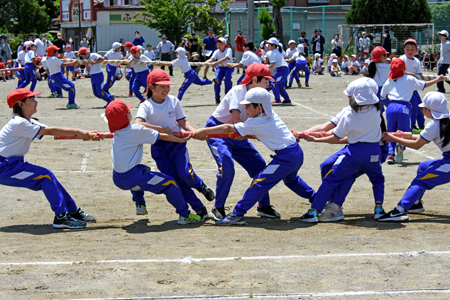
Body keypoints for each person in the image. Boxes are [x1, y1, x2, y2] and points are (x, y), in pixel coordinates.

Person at [194, 87, 316, 225]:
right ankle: (318, 200)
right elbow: (258, 132)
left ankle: (237, 214)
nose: (245, 109)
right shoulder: (269, 114)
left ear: (260, 107)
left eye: (248, 106)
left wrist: (204, 131)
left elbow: (228, 128)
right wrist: (245, 133)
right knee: (291, 181)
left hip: (286, 158)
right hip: (295, 153)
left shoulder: (256, 121)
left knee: (259, 182)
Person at [0, 88, 98, 228]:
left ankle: (72, 211)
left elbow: (55, 132)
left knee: (49, 177)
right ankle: (61, 217)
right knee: (46, 176)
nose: (36, 102)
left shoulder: (27, 122)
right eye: (32, 99)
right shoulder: (18, 123)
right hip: (4, 167)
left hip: (12, 164)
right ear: (21, 104)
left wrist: (86, 134)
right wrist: (79, 132)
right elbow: (49, 131)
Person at [201, 63, 284, 220]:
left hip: (238, 132)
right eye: (266, 81)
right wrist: (245, 132)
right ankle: (217, 207)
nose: (268, 85)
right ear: (254, 80)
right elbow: (235, 119)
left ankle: (263, 206)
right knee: (227, 166)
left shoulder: (258, 97)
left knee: (259, 166)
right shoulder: (238, 91)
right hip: (219, 131)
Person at [300, 77, 385, 223]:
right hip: (374, 151)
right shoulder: (376, 110)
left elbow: (335, 137)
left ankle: (315, 211)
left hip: (355, 152)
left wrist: (316, 139)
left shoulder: (349, 115)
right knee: (377, 179)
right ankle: (379, 209)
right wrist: (304, 133)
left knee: (332, 179)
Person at [134, 69, 214, 219]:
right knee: (176, 182)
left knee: (185, 174)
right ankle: (200, 209)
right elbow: (138, 123)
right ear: (151, 87)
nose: (166, 89)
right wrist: (160, 130)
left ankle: (201, 185)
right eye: (162, 86)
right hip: (159, 147)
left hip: (177, 144)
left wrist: (194, 132)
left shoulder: (173, 101)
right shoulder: (146, 105)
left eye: (168, 86)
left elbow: (182, 121)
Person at [105, 100, 201, 224]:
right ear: (127, 116)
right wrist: (180, 140)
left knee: (139, 169)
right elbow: (162, 136)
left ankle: (140, 204)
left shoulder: (116, 132)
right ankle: (185, 215)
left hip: (117, 178)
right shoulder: (137, 130)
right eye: (128, 111)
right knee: (171, 183)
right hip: (134, 177)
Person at [379, 92, 450, 222]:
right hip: (448, 160)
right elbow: (423, 136)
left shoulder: (434, 124)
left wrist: (393, 138)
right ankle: (415, 203)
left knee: (421, 181)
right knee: (423, 167)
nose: (422, 110)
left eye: (423, 108)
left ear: (429, 110)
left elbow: (417, 144)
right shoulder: (444, 120)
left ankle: (399, 210)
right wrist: (400, 135)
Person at [381, 59, 444, 165]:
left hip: (391, 107)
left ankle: (390, 154)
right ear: (404, 69)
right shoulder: (409, 79)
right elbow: (424, 85)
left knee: (391, 131)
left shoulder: (389, 80)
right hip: (404, 107)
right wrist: (438, 79)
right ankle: (401, 146)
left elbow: (382, 95)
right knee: (405, 131)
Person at [400, 39, 426, 134]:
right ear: (404, 50)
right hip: (405, 88)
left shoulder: (417, 61)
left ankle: (422, 125)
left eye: (412, 49)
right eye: (407, 49)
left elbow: (419, 74)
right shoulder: (402, 59)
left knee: (420, 105)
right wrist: (411, 74)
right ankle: (412, 126)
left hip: (413, 88)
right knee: (414, 104)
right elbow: (399, 71)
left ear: (416, 50)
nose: (410, 51)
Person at [205, 37, 234, 105]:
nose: (218, 45)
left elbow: (226, 58)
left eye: (220, 43)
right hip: (220, 68)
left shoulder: (228, 50)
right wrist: (205, 62)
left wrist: (217, 62)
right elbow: (212, 59)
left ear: (224, 44)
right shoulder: (216, 52)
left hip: (228, 67)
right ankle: (217, 98)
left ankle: (228, 97)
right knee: (217, 80)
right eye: (217, 44)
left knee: (227, 80)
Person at [266, 37, 291, 105]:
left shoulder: (273, 52)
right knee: (279, 85)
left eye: (269, 44)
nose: (267, 46)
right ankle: (287, 100)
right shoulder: (275, 51)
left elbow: (273, 64)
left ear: (273, 45)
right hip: (282, 69)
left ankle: (277, 100)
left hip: (282, 69)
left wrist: (266, 67)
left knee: (274, 83)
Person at [366, 46, 391, 112]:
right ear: (382, 57)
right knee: (392, 107)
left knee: (378, 113)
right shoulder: (388, 67)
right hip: (385, 92)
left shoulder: (371, 66)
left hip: (374, 92)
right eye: (386, 55)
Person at [437, 30, 450, 94]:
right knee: (442, 75)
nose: (440, 36)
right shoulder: (442, 43)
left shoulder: (448, 43)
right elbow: (442, 54)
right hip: (443, 61)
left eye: (442, 35)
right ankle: (441, 88)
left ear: (446, 36)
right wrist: (439, 61)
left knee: (440, 75)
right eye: (440, 35)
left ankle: (441, 89)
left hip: (446, 61)